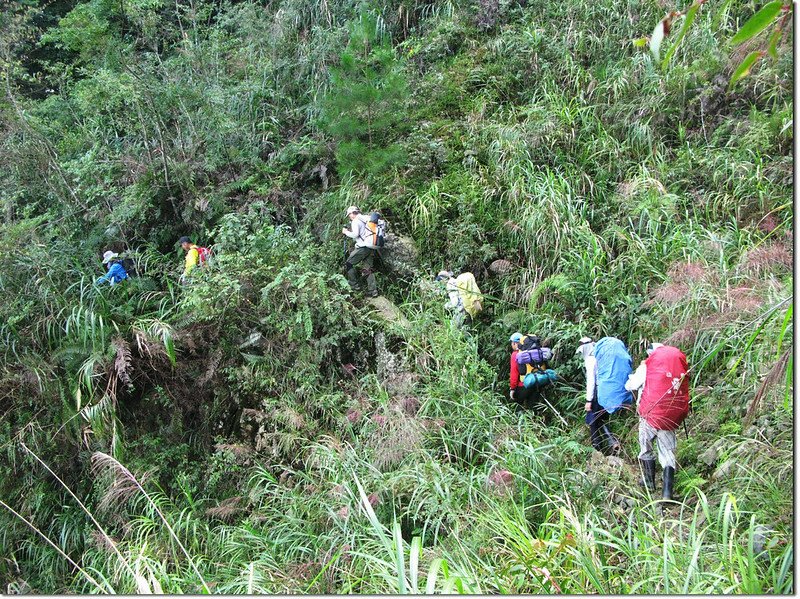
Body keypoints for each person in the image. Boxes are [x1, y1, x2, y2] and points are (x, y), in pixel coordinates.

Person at [626, 342, 690, 501]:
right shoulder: (677, 369)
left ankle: (649, 482)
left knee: (645, 446)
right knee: (667, 452)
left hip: (650, 414)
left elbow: (630, 385)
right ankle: (667, 493)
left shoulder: (647, 367)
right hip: (670, 416)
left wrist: (636, 373)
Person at [576, 336, 621, 455]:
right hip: (607, 390)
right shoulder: (601, 355)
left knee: (592, 421)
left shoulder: (590, 360)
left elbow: (591, 381)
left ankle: (597, 451)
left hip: (597, 392)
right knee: (601, 418)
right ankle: (612, 442)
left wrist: (588, 400)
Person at [342, 206, 379, 298]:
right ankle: (373, 291)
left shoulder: (356, 221)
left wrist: (346, 232)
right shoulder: (365, 219)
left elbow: (355, 234)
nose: (349, 217)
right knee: (368, 268)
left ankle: (354, 286)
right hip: (371, 246)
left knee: (348, 264)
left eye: (349, 215)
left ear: (352, 213)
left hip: (363, 248)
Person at [508, 332, 531, 406]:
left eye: (512, 343)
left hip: (522, 385)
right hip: (535, 383)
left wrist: (512, 389)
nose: (511, 345)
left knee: (517, 407)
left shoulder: (515, 354)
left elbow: (514, 373)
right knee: (533, 410)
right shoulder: (529, 351)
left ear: (515, 343)